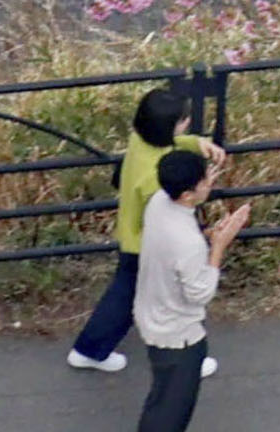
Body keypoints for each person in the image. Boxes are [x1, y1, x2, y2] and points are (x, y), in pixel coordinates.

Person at [68, 87, 223, 374]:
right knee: (174, 301)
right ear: (167, 127)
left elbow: (166, 147)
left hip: (132, 236)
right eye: (182, 121)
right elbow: (174, 207)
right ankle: (187, 356)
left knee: (124, 296)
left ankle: (89, 349)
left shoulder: (140, 140)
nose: (187, 122)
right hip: (151, 245)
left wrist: (193, 144)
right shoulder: (156, 179)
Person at [129, 147, 246, 432]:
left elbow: (176, 249)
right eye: (203, 180)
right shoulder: (188, 244)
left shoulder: (159, 204)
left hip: (152, 312)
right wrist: (218, 246)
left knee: (162, 390)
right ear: (187, 193)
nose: (209, 183)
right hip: (178, 331)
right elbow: (200, 293)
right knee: (176, 399)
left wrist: (207, 235)